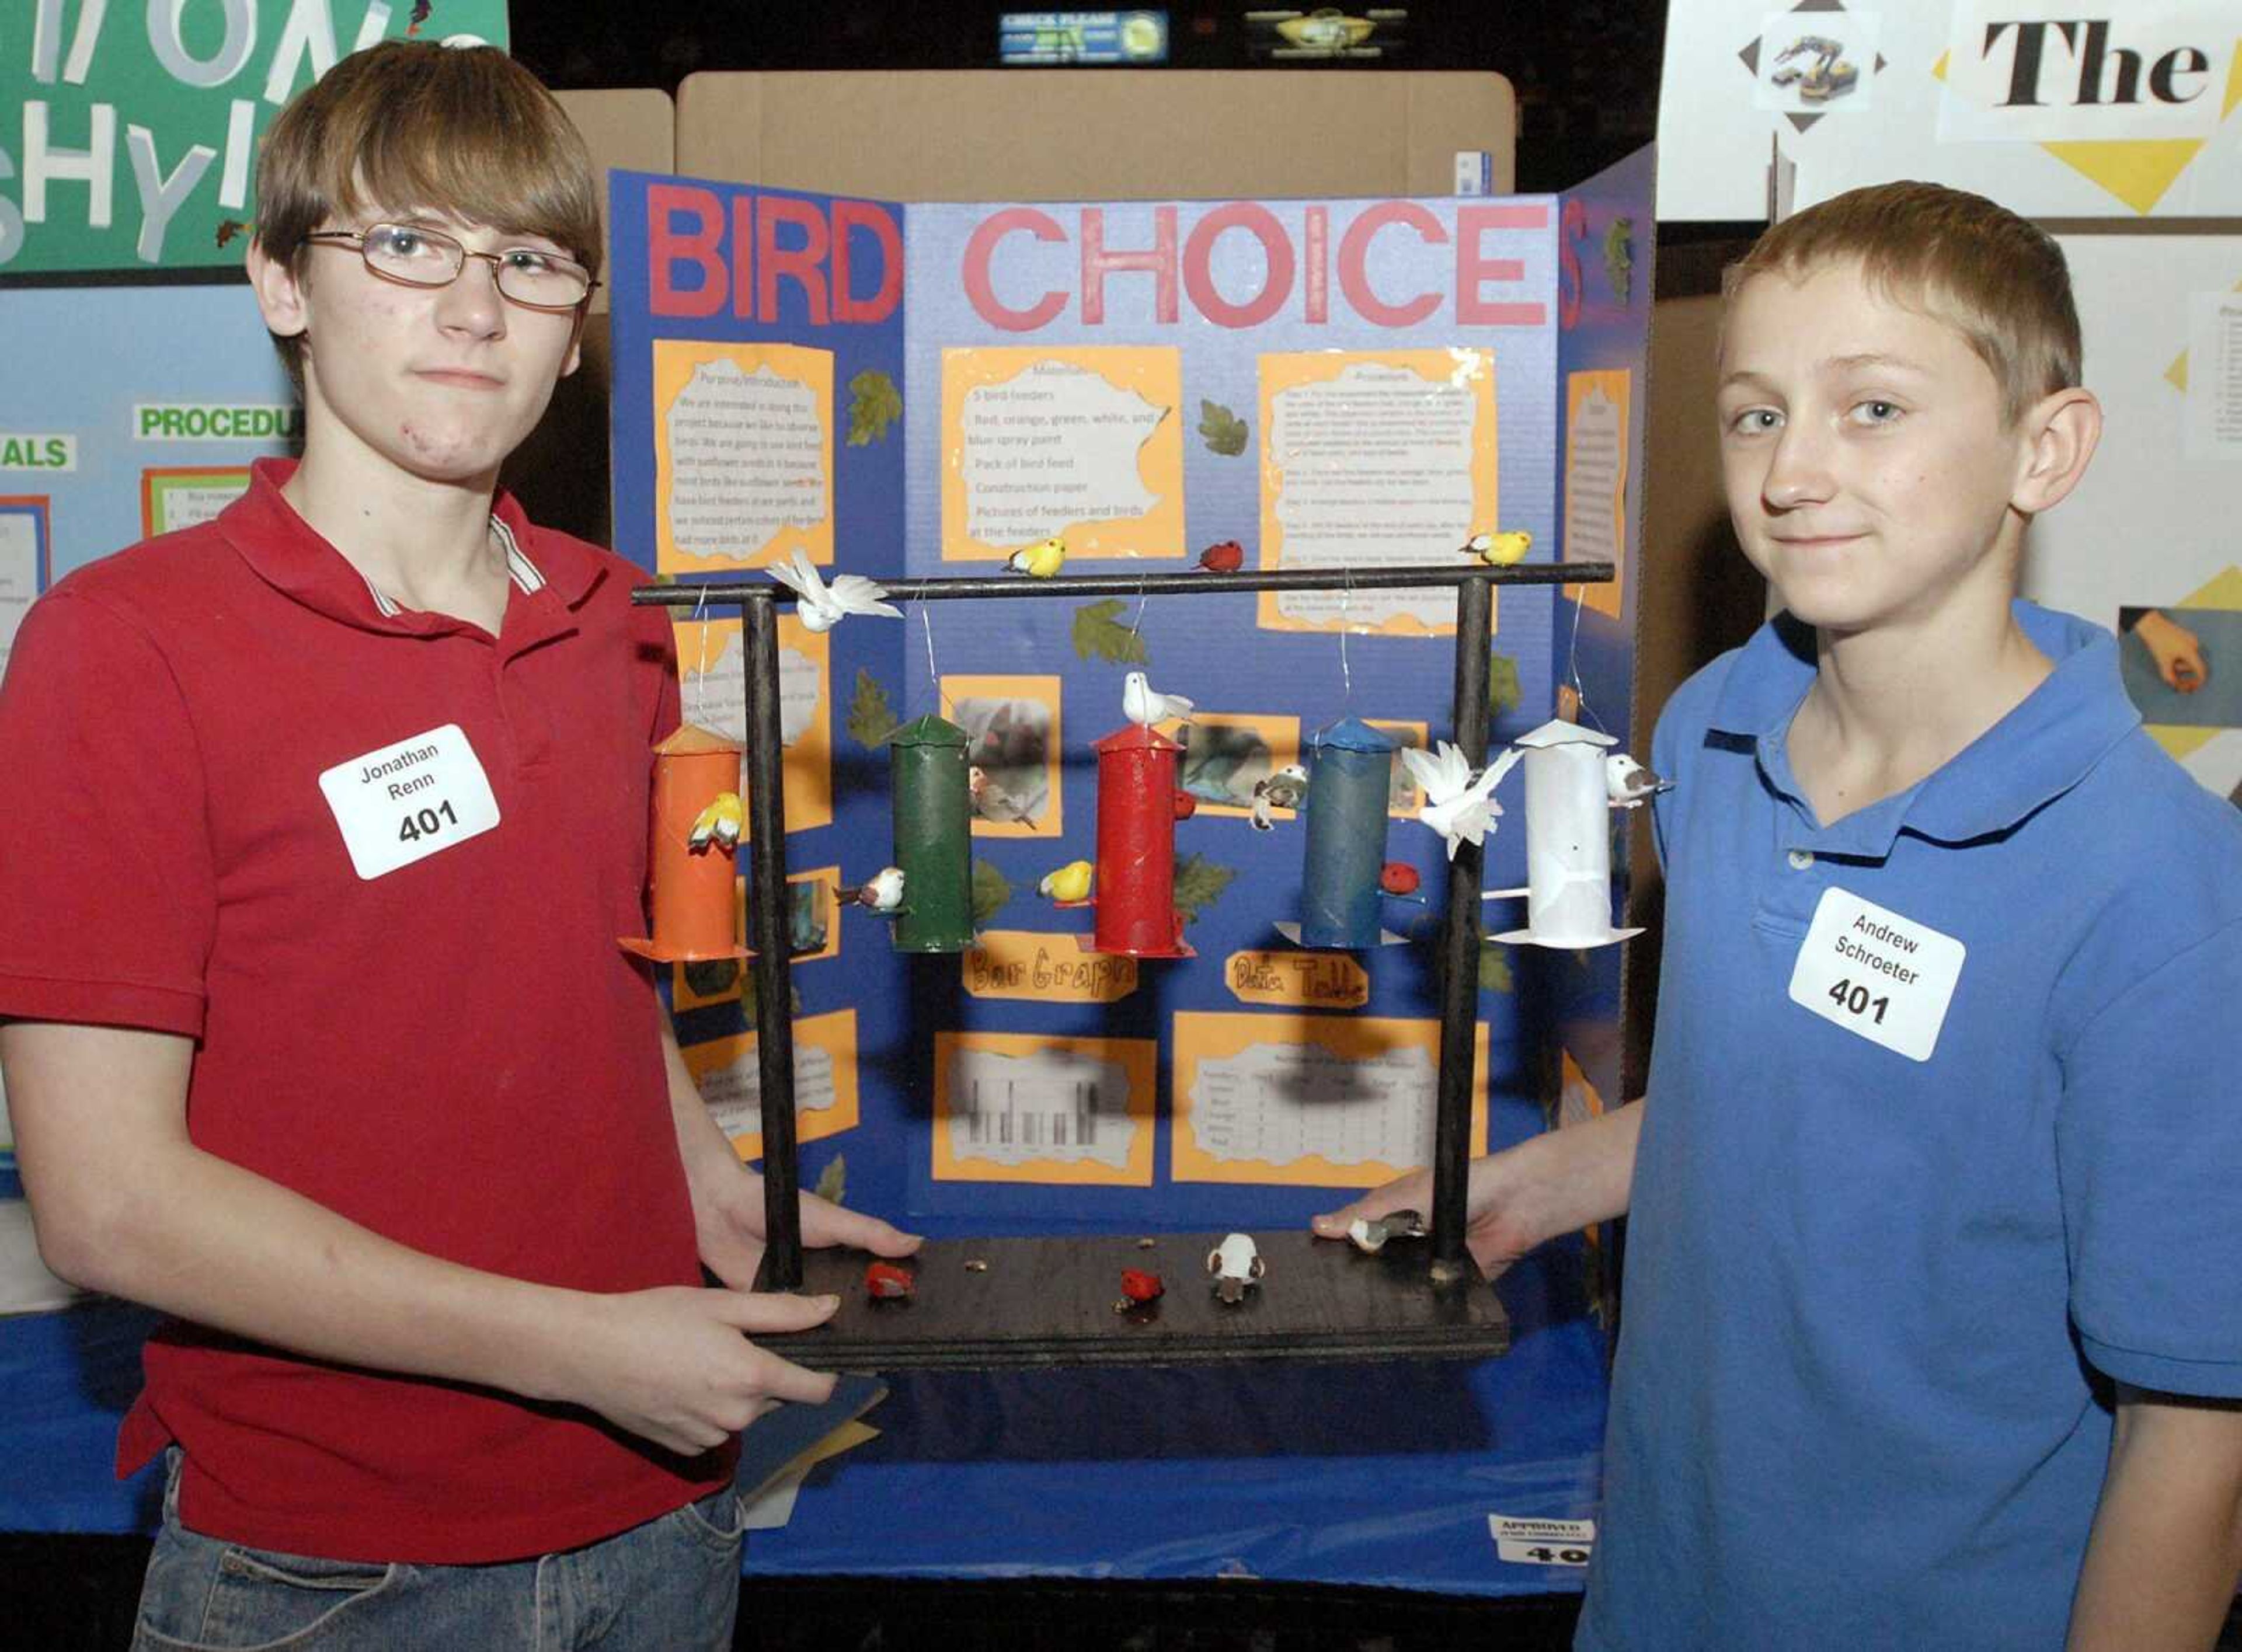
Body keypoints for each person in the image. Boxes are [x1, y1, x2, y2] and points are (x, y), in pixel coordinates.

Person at [0, 40, 916, 1651]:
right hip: (331, 1565)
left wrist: (708, 1184)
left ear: (577, 336)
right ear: (283, 280)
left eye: (532, 260)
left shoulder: (620, 619)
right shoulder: (123, 646)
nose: (475, 307)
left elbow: (596, 963)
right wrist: (578, 1344)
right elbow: (108, 1204)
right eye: (406, 244)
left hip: (662, 1513)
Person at [1318, 180, 2242, 1648]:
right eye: (1756, 414)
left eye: (1873, 408)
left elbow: (2194, 1432)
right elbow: (1795, 1095)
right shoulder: (1711, 734)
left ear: (2044, 448)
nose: (1794, 470)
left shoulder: (2163, 894)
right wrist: (1549, 1183)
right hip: (1668, 1579)